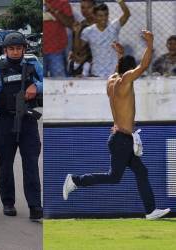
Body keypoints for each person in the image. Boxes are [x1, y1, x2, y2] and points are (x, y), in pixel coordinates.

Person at [63, 30, 171, 220]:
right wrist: (150, 43)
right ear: (129, 72)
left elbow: (119, 69)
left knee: (141, 171)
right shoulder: (125, 81)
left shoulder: (111, 81)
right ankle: (75, 180)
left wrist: (120, 56)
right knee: (114, 177)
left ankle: (150, 211)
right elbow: (144, 65)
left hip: (121, 138)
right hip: (121, 140)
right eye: (132, 72)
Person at [0, 32, 43, 221]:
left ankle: (35, 206)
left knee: (31, 164)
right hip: (5, 121)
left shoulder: (33, 66)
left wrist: (36, 87)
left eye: (18, 48)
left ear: (23, 49)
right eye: (11, 49)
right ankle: (8, 202)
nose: (15, 52)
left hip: (28, 120)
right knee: (5, 165)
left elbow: (48, 82)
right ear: (5, 50)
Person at [74, 1, 130, 77]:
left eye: (106, 15)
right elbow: (78, 50)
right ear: (94, 16)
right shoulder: (88, 31)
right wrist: (77, 33)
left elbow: (127, 14)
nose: (104, 18)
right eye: (100, 16)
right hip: (96, 73)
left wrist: (120, 1)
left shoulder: (114, 26)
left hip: (114, 73)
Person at [43, 0, 74, 77]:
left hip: (57, 51)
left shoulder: (62, 2)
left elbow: (70, 23)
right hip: (38, 52)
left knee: (60, 84)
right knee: (38, 84)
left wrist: (53, 10)